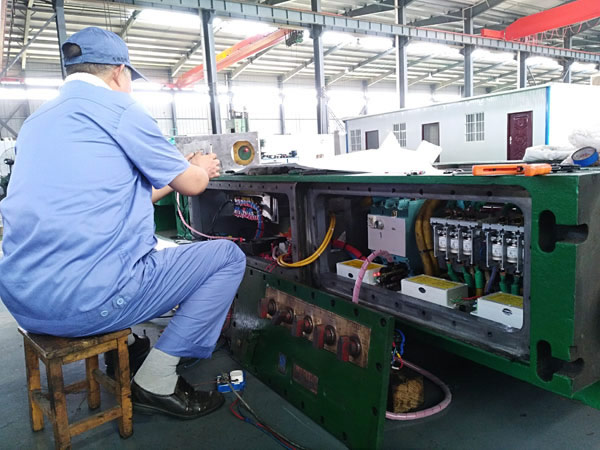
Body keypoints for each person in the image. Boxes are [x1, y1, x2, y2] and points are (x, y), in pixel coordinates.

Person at [0, 27, 246, 419]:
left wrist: (169, 178)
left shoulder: (36, 122)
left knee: (106, 254)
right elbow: (194, 185)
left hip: (23, 300)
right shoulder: (120, 110)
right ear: (118, 72)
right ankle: (157, 380)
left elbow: (110, 201)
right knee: (228, 258)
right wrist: (200, 166)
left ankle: (128, 349)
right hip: (85, 304)